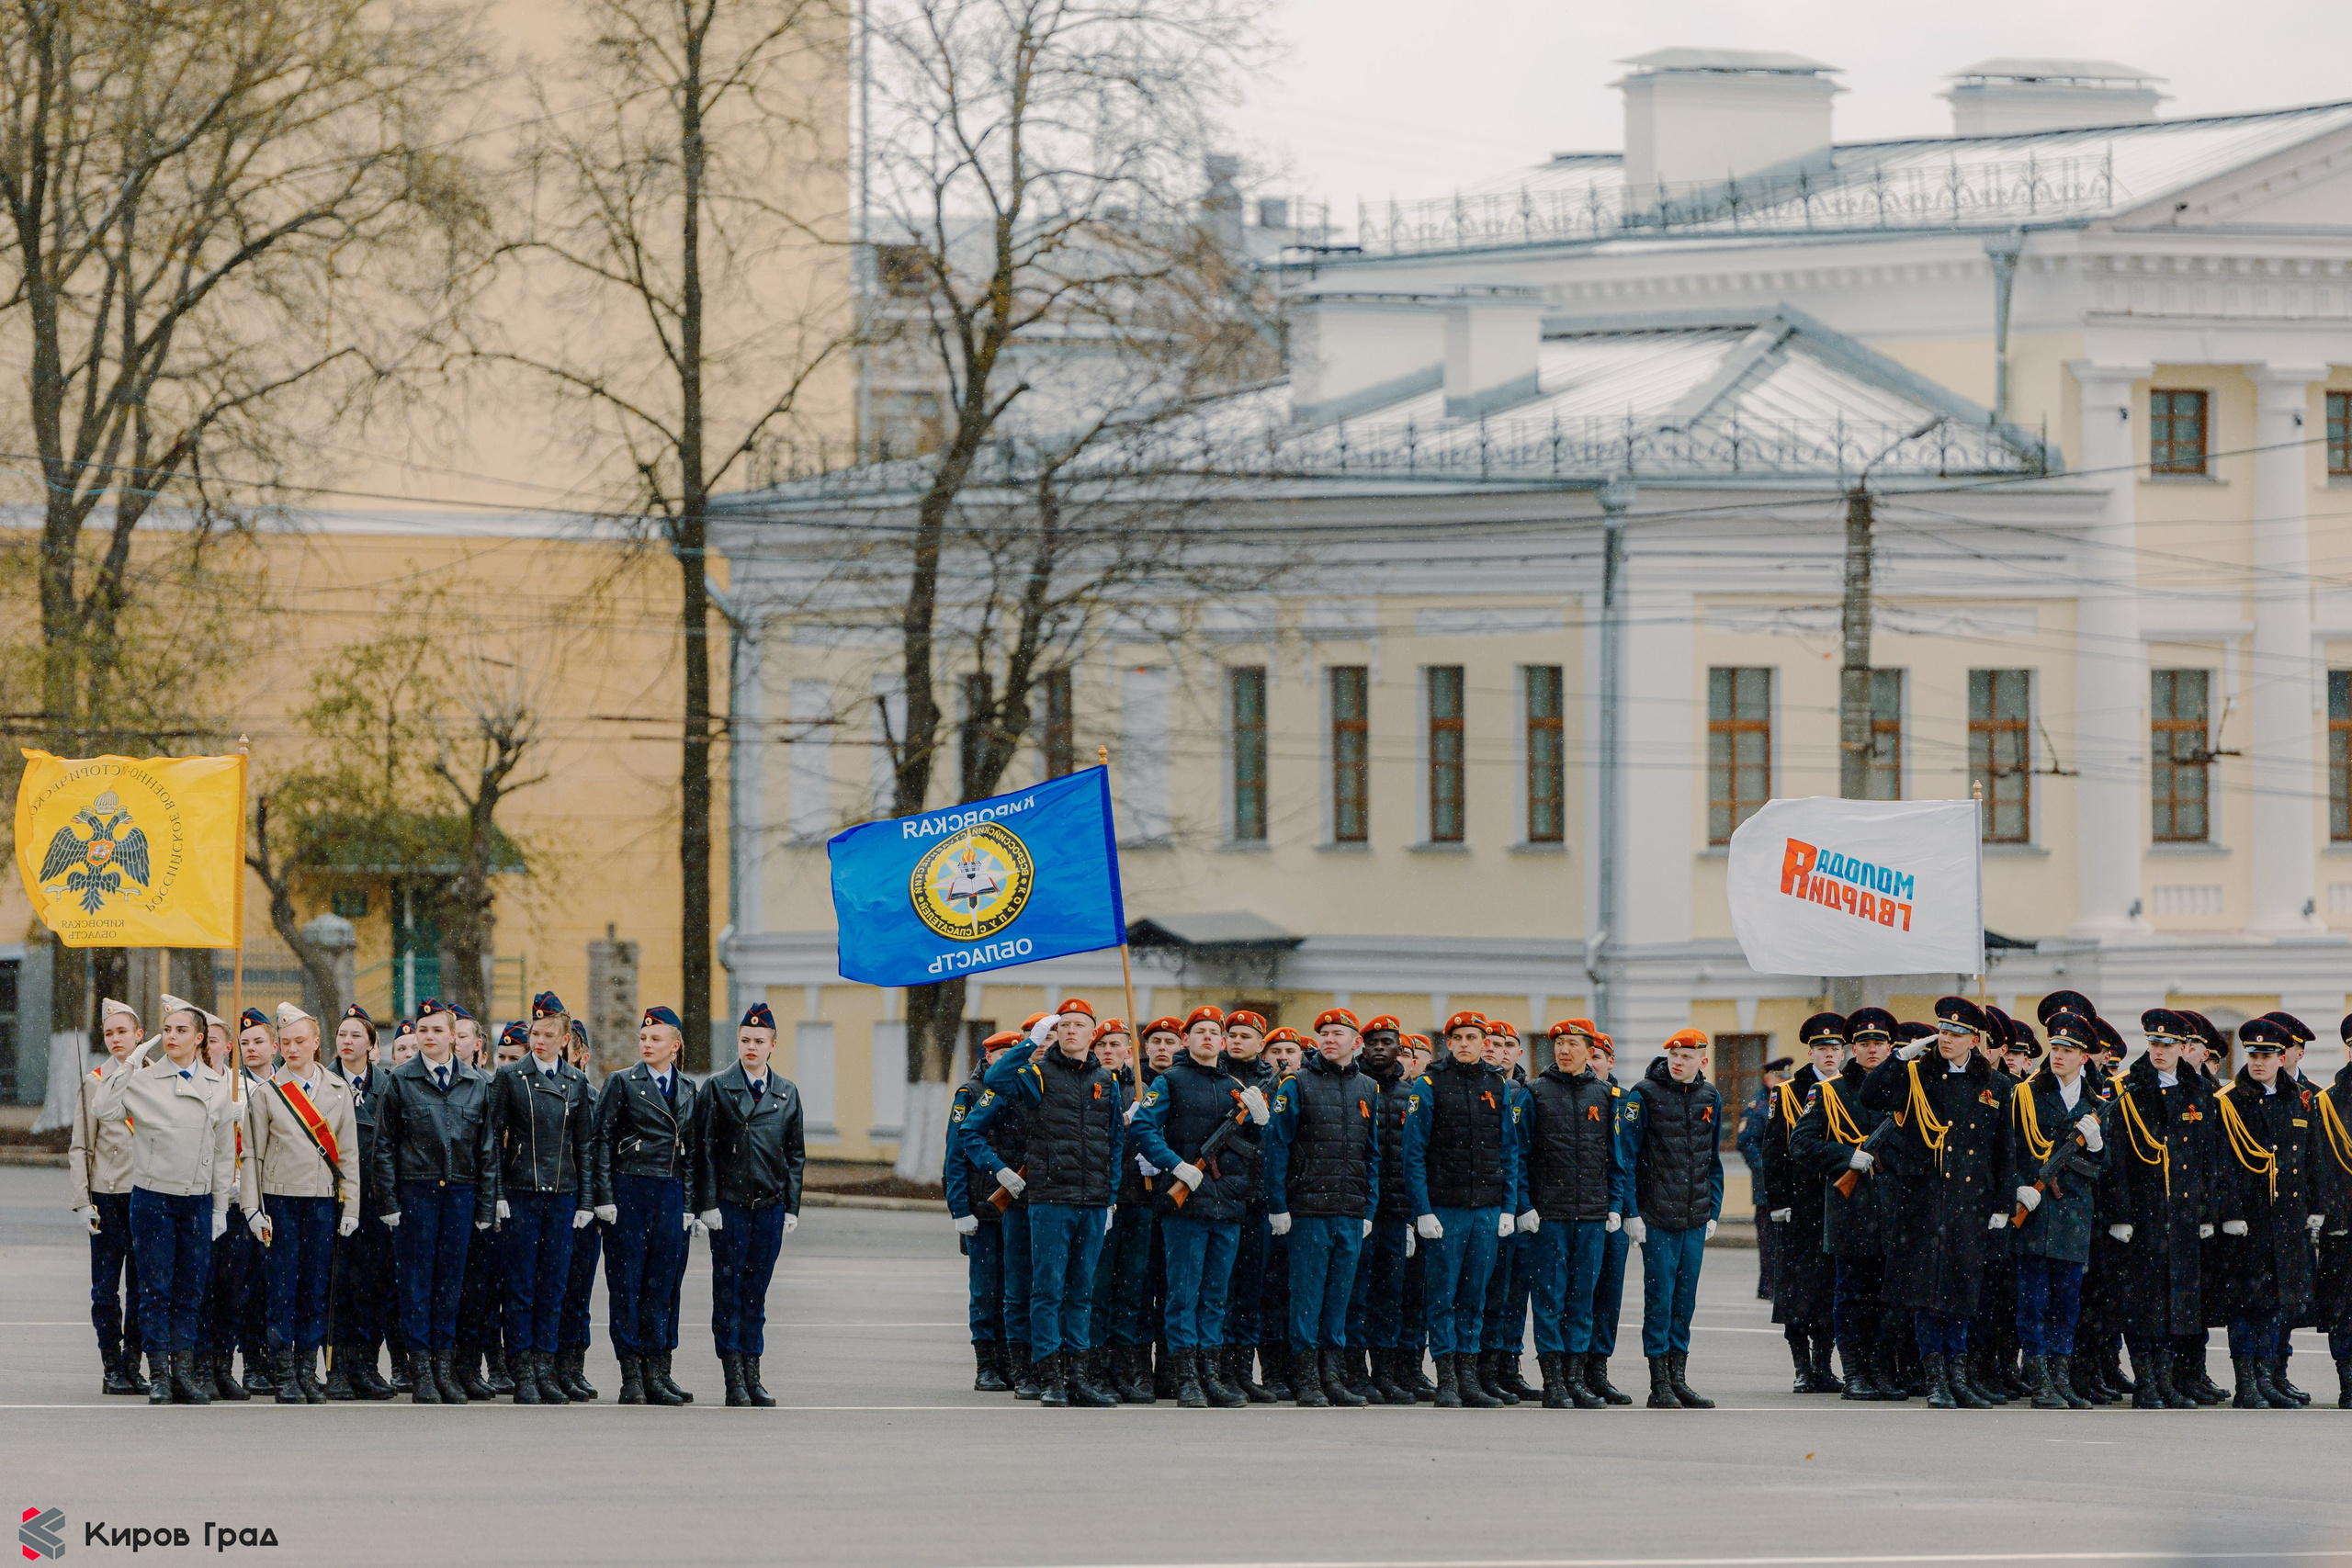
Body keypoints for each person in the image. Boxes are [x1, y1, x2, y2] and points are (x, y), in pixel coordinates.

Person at [964, 995, 1123, 1407]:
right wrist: (1026, 1045)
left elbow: (1114, 1143)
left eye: (1079, 1025)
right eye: (1063, 1025)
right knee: (1047, 1290)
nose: (1070, 1031)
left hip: (1091, 1200)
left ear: (1092, 1033)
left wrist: (1110, 1198)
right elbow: (996, 1079)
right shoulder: (1035, 1074)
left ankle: (1078, 1377)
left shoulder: (1106, 1081)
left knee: (1082, 1292)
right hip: (1051, 1198)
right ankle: (1049, 1376)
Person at [1861, 997, 2012, 1410]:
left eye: (1956, 1033)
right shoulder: (1916, 1075)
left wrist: (2001, 1204)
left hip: (1969, 1201)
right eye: (1943, 1031)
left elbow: (2004, 1148)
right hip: (1925, 1200)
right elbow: (1870, 1096)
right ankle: (1936, 1379)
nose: (1947, 1039)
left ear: (1974, 1040)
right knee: (1926, 1293)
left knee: (1962, 1292)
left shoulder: (1995, 1085)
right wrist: (1898, 1057)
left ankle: (1959, 1375)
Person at [88, 1002, 241, 1404]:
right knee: (156, 1290)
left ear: (199, 1038)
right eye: (167, 1029)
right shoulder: (145, 1077)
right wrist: (127, 1068)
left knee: (191, 1290)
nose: (171, 1036)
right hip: (154, 1196)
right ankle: (158, 1374)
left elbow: (225, 1152)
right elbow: (102, 1109)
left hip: (197, 1199)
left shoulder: (214, 1085)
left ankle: (183, 1373)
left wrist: (220, 1207)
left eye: (180, 1030)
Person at [1127, 1005, 1266, 1407]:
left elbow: (1252, 1150)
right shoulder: (1170, 1081)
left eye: (1214, 1032)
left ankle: (1212, 1376)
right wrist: (1176, 1165)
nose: (1207, 1037)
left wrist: (1259, 1122)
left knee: (1216, 1296)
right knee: (1183, 1294)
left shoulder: (1236, 1086)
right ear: (1186, 1040)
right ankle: (1186, 1378)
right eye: (1199, 1031)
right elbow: (1142, 1128)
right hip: (1186, 1205)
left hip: (1228, 1206)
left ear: (1223, 1043)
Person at [371, 996, 498, 1404]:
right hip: (417, 1193)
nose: (429, 1037)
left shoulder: (475, 1083)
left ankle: (445, 1368)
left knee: (451, 1285)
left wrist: (484, 1206)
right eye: (422, 1030)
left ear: (452, 1036)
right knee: (416, 1285)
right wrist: (389, 1203)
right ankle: (421, 1370)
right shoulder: (400, 1080)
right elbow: (384, 1147)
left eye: (437, 1030)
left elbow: (487, 1152)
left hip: (460, 1194)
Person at [239, 1002, 361, 1404]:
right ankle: (283, 1371)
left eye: (299, 1041)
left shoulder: (338, 1090)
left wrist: (353, 1207)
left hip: (321, 1202)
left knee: (314, 1288)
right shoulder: (268, 1094)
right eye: (286, 1043)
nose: (292, 1049)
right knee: (281, 1288)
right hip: (279, 1200)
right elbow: (252, 1155)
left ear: (315, 1043)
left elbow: (348, 1155)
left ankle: (308, 1368)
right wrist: (252, 1208)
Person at [2096, 1004, 2216, 1410]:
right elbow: (2116, 1161)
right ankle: (2146, 1380)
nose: (2159, 1050)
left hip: (2182, 1213)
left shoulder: (2198, 1090)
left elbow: (2208, 1158)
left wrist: (2207, 1212)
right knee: (2142, 1301)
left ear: (2183, 1046)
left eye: (2167, 1043)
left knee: (2177, 1301)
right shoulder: (2127, 1087)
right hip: (2143, 1213)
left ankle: (2168, 1380)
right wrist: (2120, 1215)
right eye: (2153, 1042)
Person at [1401, 1010, 1521, 1408]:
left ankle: (1469, 1378)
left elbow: (1509, 1149)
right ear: (1448, 1043)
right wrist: (1423, 1210)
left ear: (1484, 1043)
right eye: (1459, 1038)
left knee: (1475, 1295)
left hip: (1486, 1209)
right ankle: (1447, 1379)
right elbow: (1413, 1154)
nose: (1466, 1044)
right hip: (1445, 1209)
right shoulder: (1430, 1084)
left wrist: (1508, 1206)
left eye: (1474, 1037)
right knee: (1442, 1296)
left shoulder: (1497, 1084)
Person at [1261, 1007, 1378, 1407]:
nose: (1330, 1039)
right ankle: (1307, 1380)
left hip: (1350, 1209)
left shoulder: (1368, 1088)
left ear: (1355, 1042)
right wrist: (1278, 1204)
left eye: (1339, 1033)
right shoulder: (1297, 1083)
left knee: (1340, 1298)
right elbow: (1277, 1148)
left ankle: (1334, 1377)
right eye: (1324, 1033)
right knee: (1307, 1297)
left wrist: (1369, 1209)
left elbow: (1372, 1154)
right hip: (1309, 1208)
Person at [693, 1000, 806, 1407]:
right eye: (744, 1040)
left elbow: (795, 1154)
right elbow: (703, 1149)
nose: (751, 1047)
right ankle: (732, 1378)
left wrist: (791, 1206)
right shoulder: (718, 1088)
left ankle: (753, 1374)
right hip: (731, 1205)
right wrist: (707, 1203)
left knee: (756, 1293)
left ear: (773, 1044)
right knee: (729, 1291)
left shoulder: (787, 1092)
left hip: (770, 1206)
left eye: (759, 1040)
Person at [1789, 1006, 1904, 1400]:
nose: (1873, 1050)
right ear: (1852, 1048)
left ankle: (1883, 1370)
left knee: (1891, 1298)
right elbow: (1800, 1144)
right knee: (1853, 1295)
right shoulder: (1829, 1091)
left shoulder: (1907, 1090)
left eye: (1880, 1043)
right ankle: (1854, 1372)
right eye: (1865, 1043)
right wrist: (1844, 1157)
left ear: (1891, 1047)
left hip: (1897, 1212)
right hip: (1853, 1211)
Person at [488, 991, 596, 1404]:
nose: (540, 1041)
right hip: (522, 1193)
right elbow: (495, 1140)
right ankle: (523, 1370)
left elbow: (583, 1146)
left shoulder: (576, 1080)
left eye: (549, 1034)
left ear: (565, 1038)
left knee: (554, 1285)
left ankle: (546, 1367)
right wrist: (498, 1193)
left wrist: (586, 1201)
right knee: (521, 1286)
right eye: (535, 1033)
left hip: (563, 1194)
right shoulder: (511, 1077)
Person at [590, 1004, 698, 1405]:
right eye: (643, 1038)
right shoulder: (622, 1082)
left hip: (669, 1192)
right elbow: (599, 1141)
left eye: (656, 1039)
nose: (647, 1044)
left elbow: (692, 1152)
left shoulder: (688, 1088)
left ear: (675, 1045)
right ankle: (631, 1375)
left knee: (665, 1285)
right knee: (627, 1284)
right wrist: (603, 1196)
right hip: (630, 1190)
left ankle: (660, 1370)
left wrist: (690, 1204)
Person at [2211, 1017, 2316, 1408]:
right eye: (2253, 1054)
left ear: (2282, 1057)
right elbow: (2220, 1164)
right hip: (2248, 1221)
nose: (2258, 1062)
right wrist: (2230, 1212)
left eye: (2267, 1055)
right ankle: (2246, 1381)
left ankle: (2268, 1376)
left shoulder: (2297, 1098)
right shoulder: (2230, 1102)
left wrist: (2314, 1206)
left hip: (2286, 1218)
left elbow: (2308, 1157)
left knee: (2276, 1302)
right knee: (2245, 1303)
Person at [1617, 1027, 1724, 1408]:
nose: (1678, 1062)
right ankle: (1658, 1383)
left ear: (1702, 1061)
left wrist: (1714, 1208)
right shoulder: (1643, 1094)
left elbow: (1712, 1159)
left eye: (1687, 1056)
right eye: (1674, 1056)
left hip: (1694, 1216)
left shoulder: (1710, 1096)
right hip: (1657, 1216)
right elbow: (1626, 1157)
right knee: (1659, 1300)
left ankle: (1679, 1379)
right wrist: (1632, 1211)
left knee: (1685, 1302)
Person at [2007, 1010, 2109, 1408]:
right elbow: (2010, 1148)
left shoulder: (2095, 1103)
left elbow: (2106, 1168)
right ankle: (2039, 1382)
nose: (2059, 1055)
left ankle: (2061, 1378)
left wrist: (2097, 1145)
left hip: (2073, 1217)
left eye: (2068, 1049)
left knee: (2067, 1304)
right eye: (2055, 1048)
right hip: (2034, 1213)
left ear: (2084, 1057)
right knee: (2033, 1302)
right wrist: (2018, 1187)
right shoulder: (2026, 1095)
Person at [1520, 1018, 1622, 1409]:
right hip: (1549, 1215)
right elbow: (1519, 1154)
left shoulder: (1606, 1095)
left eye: (1573, 1044)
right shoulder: (1535, 1093)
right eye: (1559, 1043)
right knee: (1550, 1298)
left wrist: (1614, 1205)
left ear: (1589, 1050)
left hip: (1593, 1215)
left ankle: (1577, 1379)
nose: (1564, 1050)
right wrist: (1525, 1205)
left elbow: (1616, 1159)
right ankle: (1554, 1382)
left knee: (1583, 1299)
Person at [70, 998, 148, 1394]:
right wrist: (83, 1200)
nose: (116, 1039)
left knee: (142, 1286)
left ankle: (134, 1363)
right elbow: (81, 1146)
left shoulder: (155, 1079)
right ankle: (111, 1364)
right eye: (109, 1034)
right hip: (109, 1195)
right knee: (105, 1288)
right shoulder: (95, 1081)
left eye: (123, 1032)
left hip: (149, 1195)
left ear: (140, 1035)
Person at [201, 1007, 277, 1400]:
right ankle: (211, 1365)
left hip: (262, 1197)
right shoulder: (215, 1085)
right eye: (244, 1043)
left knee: (255, 1288)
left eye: (257, 1041)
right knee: (220, 1288)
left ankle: (249, 1364)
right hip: (221, 1198)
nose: (250, 1048)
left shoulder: (261, 1087)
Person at [1763, 1017, 1842, 1393]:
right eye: (1822, 1049)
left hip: (1839, 1202)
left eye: (1835, 1049)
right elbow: (1774, 1151)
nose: (1829, 1055)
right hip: (1800, 1204)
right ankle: (1801, 1367)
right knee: (1797, 1290)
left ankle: (1824, 1366)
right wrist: (1778, 1200)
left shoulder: (1848, 1089)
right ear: (1810, 1053)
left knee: (1829, 1288)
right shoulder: (1788, 1092)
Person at [326, 1004, 397, 1400]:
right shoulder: (323, 1082)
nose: (347, 1042)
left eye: (356, 1036)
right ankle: (336, 1368)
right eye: (342, 1035)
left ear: (373, 1046)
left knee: (372, 1286)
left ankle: (367, 1367)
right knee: (338, 1286)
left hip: (374, 1199)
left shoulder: (387, 1085)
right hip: (335, 1201)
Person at [1085, 1018, 1158, 1403]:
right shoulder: (1089, 1084)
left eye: (1117, 1045)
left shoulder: (1143, 1088)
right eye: (1103, 1045)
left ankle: (1123, 1369)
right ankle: (1093, 1370)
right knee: (1097, 1290)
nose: (1110, 1051)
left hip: (1139, 1200)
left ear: (1131, 1051)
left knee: (1131, 1289)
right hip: (1102, 1201)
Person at [947, 1029, 1023, 1392]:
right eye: (1001, 1055)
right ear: (988, 1058)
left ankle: (1010, 1362)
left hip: (1018, 1206)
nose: (1007, 1061)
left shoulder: (1024, 1091)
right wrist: (960, 1209)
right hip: (982, 1206)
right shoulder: (972, 1094)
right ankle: (986, 1366)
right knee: (986, 1292)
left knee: (1013, 1290)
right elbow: (955, 1157)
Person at [1218, 1008, 1280, 1404]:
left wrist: (1267, 1121)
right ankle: (1219, 1370)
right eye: (1233, 1034)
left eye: (1247, 1036)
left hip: (1257, 1199)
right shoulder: (1214, 1076)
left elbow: (1287, 1140)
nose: (1238, 1041)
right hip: (1220, 1196)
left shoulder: (1276, 1082)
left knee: (1250, 1293)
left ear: (1262, 1044)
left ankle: (1243, 1372)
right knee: (1219, 1292)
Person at [1476, 1021, 1538, 1404]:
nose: (1496, 1049)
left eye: (1505, 1044)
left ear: (1517, 1053)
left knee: (1514, 1294)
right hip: (1487, 1202)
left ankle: (1507, 1365)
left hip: (1520, 1207)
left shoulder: (1526, 1093)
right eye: (1491, 1043)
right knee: (1485, 1291)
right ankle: (1482, 1367)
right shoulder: (1483, 1088)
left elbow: (1528, 1153)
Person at [1580, 1033, 1635, 1405]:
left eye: (1598, 1057)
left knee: (1608, 1295)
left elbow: (1633, 1161)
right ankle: (1573, 1369)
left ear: (1610, 1061)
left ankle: (1598, 1369)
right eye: (1589, 1056)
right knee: (1578, 1293)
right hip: (1581, 1208)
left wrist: (1631, 1211)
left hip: (1616, 1213)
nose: (1592, 1063)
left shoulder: (1626, 1102)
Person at [556, 1018, 604, 1400]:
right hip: (552, 1202)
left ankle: (574, 1364)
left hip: (584, 1210)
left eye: (567, 1054)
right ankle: (550, 1366)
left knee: (579, 1293)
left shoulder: (595, 1099)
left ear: (582, 1058)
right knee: (549, 1290)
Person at [2315, 1015, 2352, 1407]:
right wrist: (2332, 1217)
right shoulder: (2329, 1101)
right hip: (2344, 1222)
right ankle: (2349, 1378)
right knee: (2344, 1306)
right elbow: (2320, 1165)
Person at [1741, 1056, 1792, 1301]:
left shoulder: (1793, 1100)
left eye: (1787, 1078)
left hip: (1791, 1183)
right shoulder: (1758, 1105)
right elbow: (1747, 1142)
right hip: (1766, 1186)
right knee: (1770, 1238)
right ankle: (1770, 1286)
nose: (1784, 1081)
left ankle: (1779, 1285)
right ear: (1768, 1078)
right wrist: (1766, 1168)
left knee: (1788, 1238)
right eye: (1780, 1077)